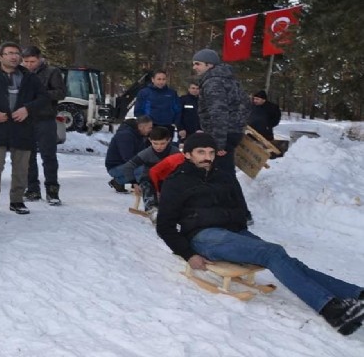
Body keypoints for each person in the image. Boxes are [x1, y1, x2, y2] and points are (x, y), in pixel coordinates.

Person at [156, 132, 364, 336]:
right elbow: (164, 226)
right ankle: (331, 309)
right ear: (188, 154)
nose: (207, 157)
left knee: (285, 259)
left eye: (210, 152)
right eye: (200, 152)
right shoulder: (176, 182)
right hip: (204, 236)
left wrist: (237, 222)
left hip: (234, 233)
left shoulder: (223, 177)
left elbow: (242, 208)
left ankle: (355, 294)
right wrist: (188, 254)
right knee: (271, 253)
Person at [0, 41, 49, 218]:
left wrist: (27, 109)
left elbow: (43, 98)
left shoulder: (29, 77)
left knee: (21, 168)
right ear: (0, 57)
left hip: (22, 129)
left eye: (16, 53)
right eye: (9, 53)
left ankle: (17, 201)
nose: (14, 56)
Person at [191, 48, 252, 224]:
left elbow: (218, 114)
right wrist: (237, 126)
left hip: (222, 135)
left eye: (198, 64)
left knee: (223, 175)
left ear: (209, 65)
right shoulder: (229, 80)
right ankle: (229, 211)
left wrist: (219, 144)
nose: (195, 67)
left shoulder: (213, 82)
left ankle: (240, 214)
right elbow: (246, 106)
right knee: (221, 174)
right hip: (230, 132)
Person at [20, 46, 66, 206]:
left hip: (45, 118)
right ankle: (32, 189)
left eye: (32, 61)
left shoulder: (52, 72)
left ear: (39, 59)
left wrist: (41, 94)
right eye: (25, 61)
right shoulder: (20, 73)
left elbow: (60, 93)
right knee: (28, 156)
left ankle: (52, 190)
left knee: (48, 156)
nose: (29, 65)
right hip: (25, 119)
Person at [120, 126, 179, 212]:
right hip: (149, 179)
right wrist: (134, 183)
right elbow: (128, 166)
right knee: (147, 187)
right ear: (150, 140)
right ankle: (152, 209)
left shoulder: (175, 152)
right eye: (155, 143)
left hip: (167, 179)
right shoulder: (147, 153)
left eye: (162, 143)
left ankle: (175, 209)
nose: (159, 147)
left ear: (169, 140)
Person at [104, 115, 153, 192]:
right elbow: (128, 158)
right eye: (149, 128)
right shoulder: (125, 135)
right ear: (141, 127)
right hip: (115, 167)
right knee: (146, 170)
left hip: (126, 164)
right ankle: (118, 181)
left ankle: (120, 181)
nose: (151, 130)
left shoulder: (139, 135)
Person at [133, 70, 181, 138]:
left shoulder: (172, 93)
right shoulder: (144, 93)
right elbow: (138, 110)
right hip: (150, 127)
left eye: (163, 79)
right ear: (153, 80)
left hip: (167, 126)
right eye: (159, 79)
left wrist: (175, 122)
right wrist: (144, 124)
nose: (161, 82)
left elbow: (178, 109)